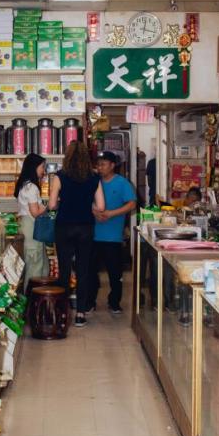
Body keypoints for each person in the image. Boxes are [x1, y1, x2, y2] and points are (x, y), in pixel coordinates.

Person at [48, 140, 104, 327]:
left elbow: (52, 204)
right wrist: (89, 205)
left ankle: (63, 313)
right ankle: (81, 313)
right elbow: (101, 206)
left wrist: (62, 202)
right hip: (85, 227)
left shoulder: (60, 176)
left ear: (67, 156)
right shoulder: (94, 177)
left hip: (64, 226)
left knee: (64, 270)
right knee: (83, 270)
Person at [88, 151, 137, 314]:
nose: (100, 167)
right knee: (90, 272)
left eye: (103, 164)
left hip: (113, 237)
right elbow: (85, 199)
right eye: (98, 164)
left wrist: (111, 213)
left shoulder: (122, 183)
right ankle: (90, 301)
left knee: (115, 273)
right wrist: (95, 211)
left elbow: (131, 204)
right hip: (93, 235)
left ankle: (114, 302)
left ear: (112, 165)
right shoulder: (94, 181)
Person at [14, 154, 49, 283]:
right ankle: (32, 301)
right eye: (42, 167)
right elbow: (35, 212)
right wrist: (50, 206)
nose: (43, 171)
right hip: (32, 230)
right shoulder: (32, 188)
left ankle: (33, 301)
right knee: (35, 270)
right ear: (34, 167)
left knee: (38, 267)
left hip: (28, 228)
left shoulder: (25, 185)